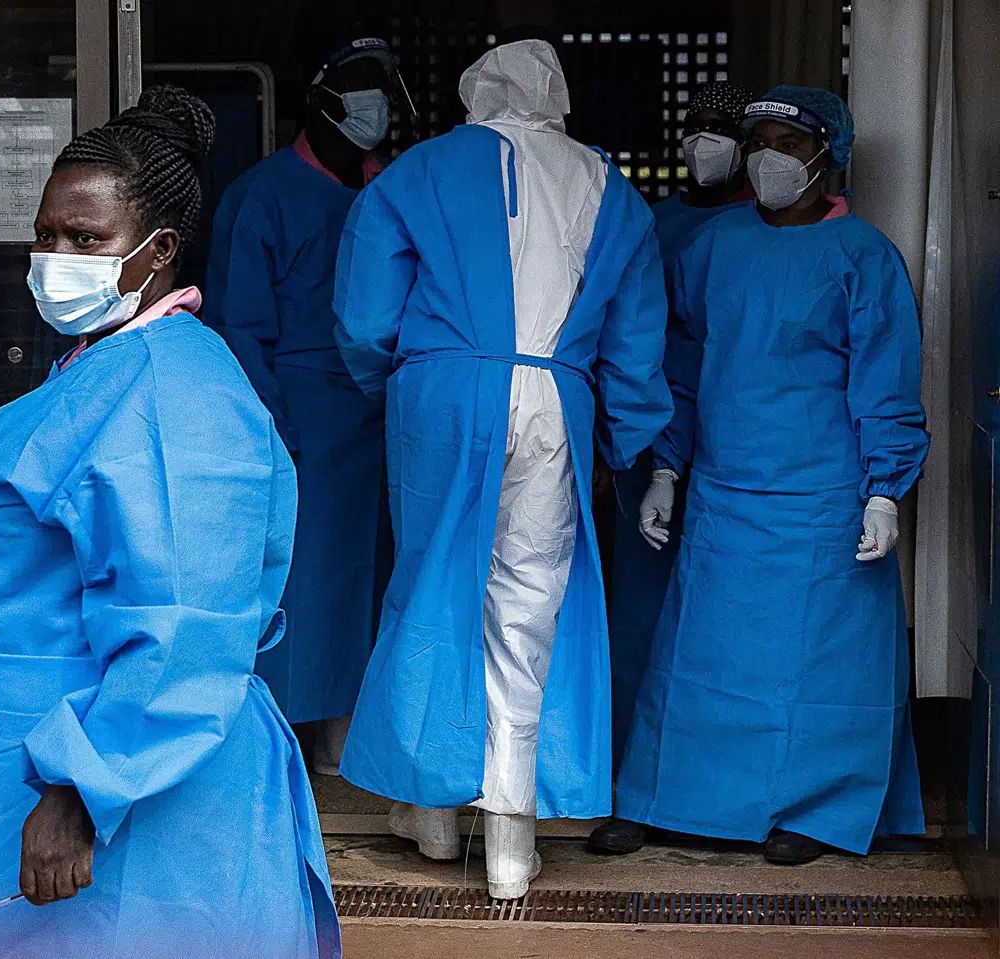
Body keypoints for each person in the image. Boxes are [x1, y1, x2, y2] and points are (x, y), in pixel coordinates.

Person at [0, 87, 340, 959]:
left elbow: (182, 620)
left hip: (127, 786)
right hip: (60, 764)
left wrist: (82, 789)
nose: (55, 257)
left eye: (86, 240)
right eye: (46, 234)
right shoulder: (105, 367)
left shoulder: (172, 394)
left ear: (156, 252)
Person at [332, 40, 672, 900]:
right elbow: (636, 342)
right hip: (557, 395)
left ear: (476, 94)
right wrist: (630, 438)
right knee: (528, 610)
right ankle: (511, 842)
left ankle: (438, 818)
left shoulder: (415, 173)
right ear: (556, 96)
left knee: (434, 588)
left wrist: (404, 383)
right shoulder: (611, 189)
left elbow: (367, 317)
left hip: (444, 391)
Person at [592, 86, 929, 866]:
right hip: (723, 493)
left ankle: (816, 809)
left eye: (787, 141)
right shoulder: (715, 246)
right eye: (759, 140)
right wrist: (666, 468)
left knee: (816, 661)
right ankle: (666, 797)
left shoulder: (863, 257)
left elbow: (887, 381)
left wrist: (885, 490)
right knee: (699, 657)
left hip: (823, 501)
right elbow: (679, 366)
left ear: (826, 158)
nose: (768, 156)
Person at [205, 38, 399, 773]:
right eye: (358, 86)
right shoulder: (263, 196)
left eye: (382, 87)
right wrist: (274, 429)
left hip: (386, 417)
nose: (372, 101)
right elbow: (242, 327)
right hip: (303, 424)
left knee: (379, 583)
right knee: (305, 583)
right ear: (320, 100)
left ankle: (360, 740)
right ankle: (290, 746)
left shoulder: (396, 191)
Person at [607, 81, 756, 761]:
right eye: (695, 126)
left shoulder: (768, 234)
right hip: (646, 437)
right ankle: (634, 760)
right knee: (641, 608)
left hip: (737, 446)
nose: (704, 141)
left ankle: (708, 766)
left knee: (725, 614)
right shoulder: (648, 222)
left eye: (720, 128)